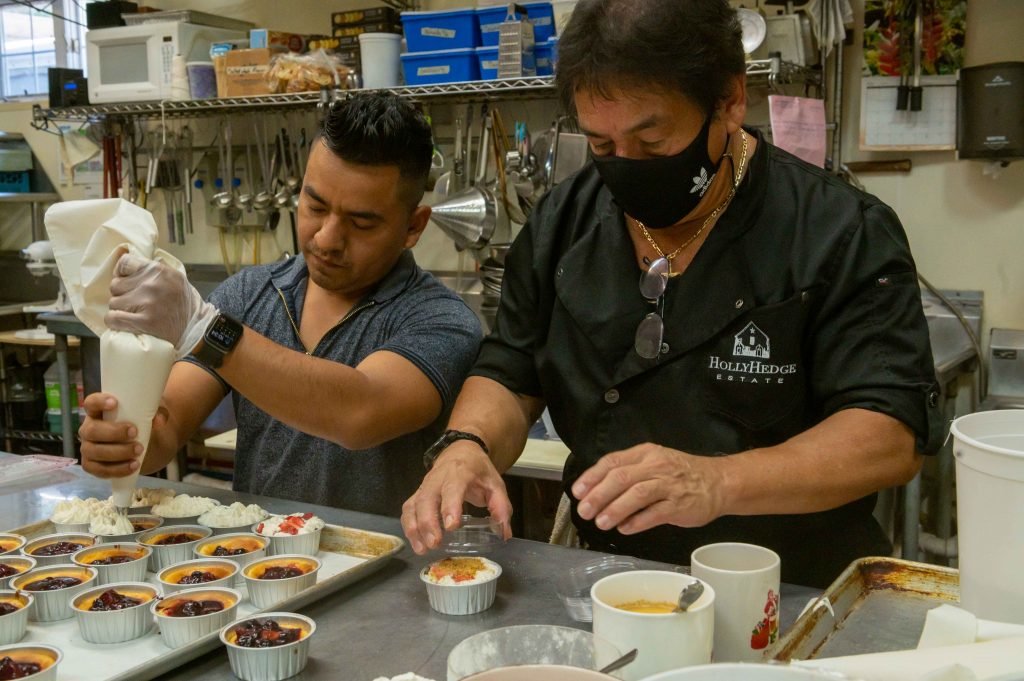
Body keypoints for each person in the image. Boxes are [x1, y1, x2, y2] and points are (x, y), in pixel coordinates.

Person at [401, 0, 944, 587]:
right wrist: (467, 443)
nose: (627, 166)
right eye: (603, 147)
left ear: (730, 100)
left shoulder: (839, 231)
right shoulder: (564, 222)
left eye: (653, 142)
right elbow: (512, 369)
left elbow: (889, 434)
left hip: (789, 591)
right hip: (608, 583)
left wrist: (717, 482)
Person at [79, 92, 483, 516]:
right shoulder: (250, 295)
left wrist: (202, 328)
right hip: (261, 566)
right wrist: (125, 441)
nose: (326, 238)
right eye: (315, 205)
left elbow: (360, 411)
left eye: (361, 222)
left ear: (413, 226)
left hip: (387, 571)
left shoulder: (442, 321)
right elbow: (168, 425)